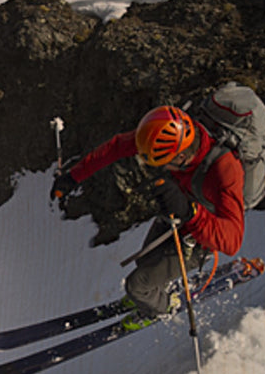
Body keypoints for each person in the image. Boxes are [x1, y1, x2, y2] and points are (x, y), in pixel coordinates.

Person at [50, 105, 245, 324]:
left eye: (162, 163)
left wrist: (191, 212)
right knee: (144, 262)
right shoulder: (162, 137)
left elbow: (232, 241)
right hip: (178, 214)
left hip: (202, 235)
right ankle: (153, 291)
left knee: (137, 285)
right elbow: (116, 147)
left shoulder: (225, 170)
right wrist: (74, 177)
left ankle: (166, 305)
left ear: (180, 157)